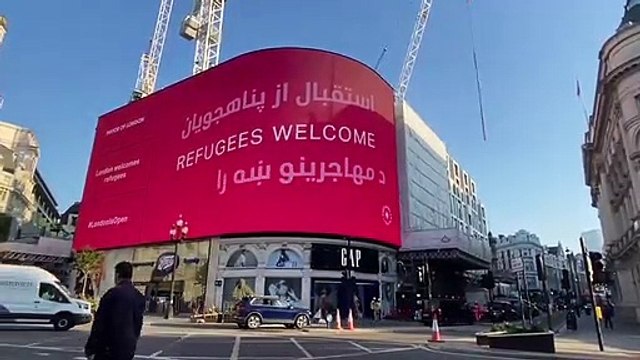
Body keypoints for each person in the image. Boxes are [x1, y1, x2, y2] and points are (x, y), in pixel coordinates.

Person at [85, 261, 145, 360]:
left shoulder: (112, 294)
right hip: (128, 346)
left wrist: (91, 347)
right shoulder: (138, 296)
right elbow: (138, 323)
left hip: (108, 347)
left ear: (117, 275)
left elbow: (100, 323)